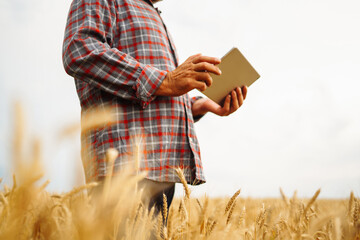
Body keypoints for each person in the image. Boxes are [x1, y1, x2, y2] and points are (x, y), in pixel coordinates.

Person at [62, 0, 247, 216]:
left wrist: (200, 105)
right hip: (122, 165)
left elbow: (159, 90)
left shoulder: (153, 14)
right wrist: (168, 80)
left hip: (163, 167)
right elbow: (79, 50)